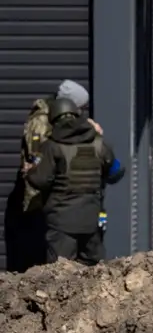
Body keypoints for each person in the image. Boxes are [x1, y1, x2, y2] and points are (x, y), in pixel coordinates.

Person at [5, 80, 100, 272]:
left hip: (62, 197)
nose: (81, 113)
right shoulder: (42, 122)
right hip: (41, 197)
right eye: (79, 107)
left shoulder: (61, 121)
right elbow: (40, 161)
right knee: (51, 260)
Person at [24, 97, 125, 267]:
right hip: (91, 220)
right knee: (94, 268)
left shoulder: (53, 146)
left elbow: (40, 180)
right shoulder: (98, 143)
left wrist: (30, 171)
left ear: (54, 120)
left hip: (61, 222)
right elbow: (116, 171)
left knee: (60, 272)